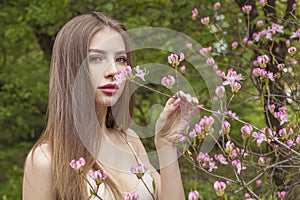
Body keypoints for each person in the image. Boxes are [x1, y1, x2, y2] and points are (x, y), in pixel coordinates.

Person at [22, 12, 200, 200]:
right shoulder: (45, 159)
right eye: (96, 58)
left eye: (121, 59)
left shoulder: (129, 141)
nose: (114, 71)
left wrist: (166, 145)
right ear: (71, 68)